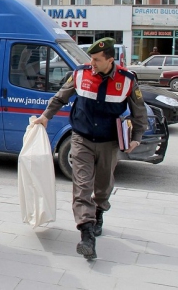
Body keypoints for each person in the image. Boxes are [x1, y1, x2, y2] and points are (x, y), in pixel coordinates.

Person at [34, 37, 147, 260]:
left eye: (96, 59)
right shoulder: (80, 73)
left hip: (109, 142)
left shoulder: (127, 80)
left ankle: (99, 211)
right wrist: (46, 116)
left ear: (110, 60)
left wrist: (137, 137)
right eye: (91, 59)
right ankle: (87, 235)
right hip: (81, 139)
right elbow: (60, 98)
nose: (92, 63)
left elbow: (139, 112)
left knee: (104, 184)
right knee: (82, 185)